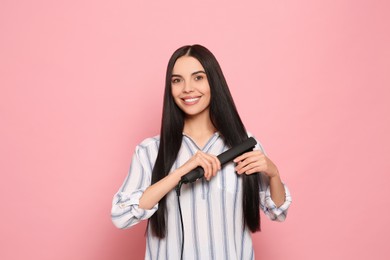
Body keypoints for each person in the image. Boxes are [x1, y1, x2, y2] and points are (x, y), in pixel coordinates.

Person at [111, 44, 292, 260]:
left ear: (213, 83)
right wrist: (179, 173)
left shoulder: (242, 146)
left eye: (198, 78)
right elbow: (121, 216)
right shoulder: (150, 151)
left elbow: (277, 212)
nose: (187, 88)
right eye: (177, 80)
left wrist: (274, 174)